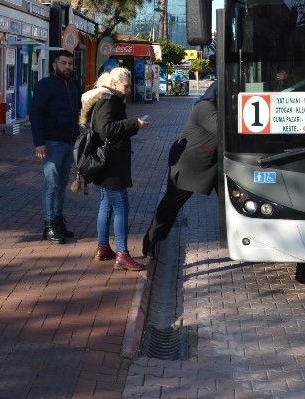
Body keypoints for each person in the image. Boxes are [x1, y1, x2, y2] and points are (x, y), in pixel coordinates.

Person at [79, 66, 150, 270]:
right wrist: (133, 124)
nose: (128, 90)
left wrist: (132, 125)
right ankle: (122, 253)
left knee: (106, 204)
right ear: (114, 84)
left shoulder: (111, 99)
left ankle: (103, 247)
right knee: (121, 207)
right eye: (126, 86)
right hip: (110, 163)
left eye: (129, 86)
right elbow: (107, 129)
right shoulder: (108, 101)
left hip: (109, 160)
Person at [142, 82, 218, 260]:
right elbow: (223, 130)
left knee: (233, 204)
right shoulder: (205, 107)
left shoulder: (218, 108)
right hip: (190, 165)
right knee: (171, 204)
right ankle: (151, 241)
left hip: (212, 165)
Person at [30, 49, 82, 244]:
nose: (67, 67)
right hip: (51, 143)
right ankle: (49, 224)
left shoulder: (75, 85)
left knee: (61, 184)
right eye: (63, 63)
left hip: (70, 142)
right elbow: (36, 115)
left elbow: (80, 110)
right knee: (51, 184)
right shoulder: (45, 86)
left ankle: (59, 221)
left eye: (70, 63)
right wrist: (39, 143)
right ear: (54, 65)